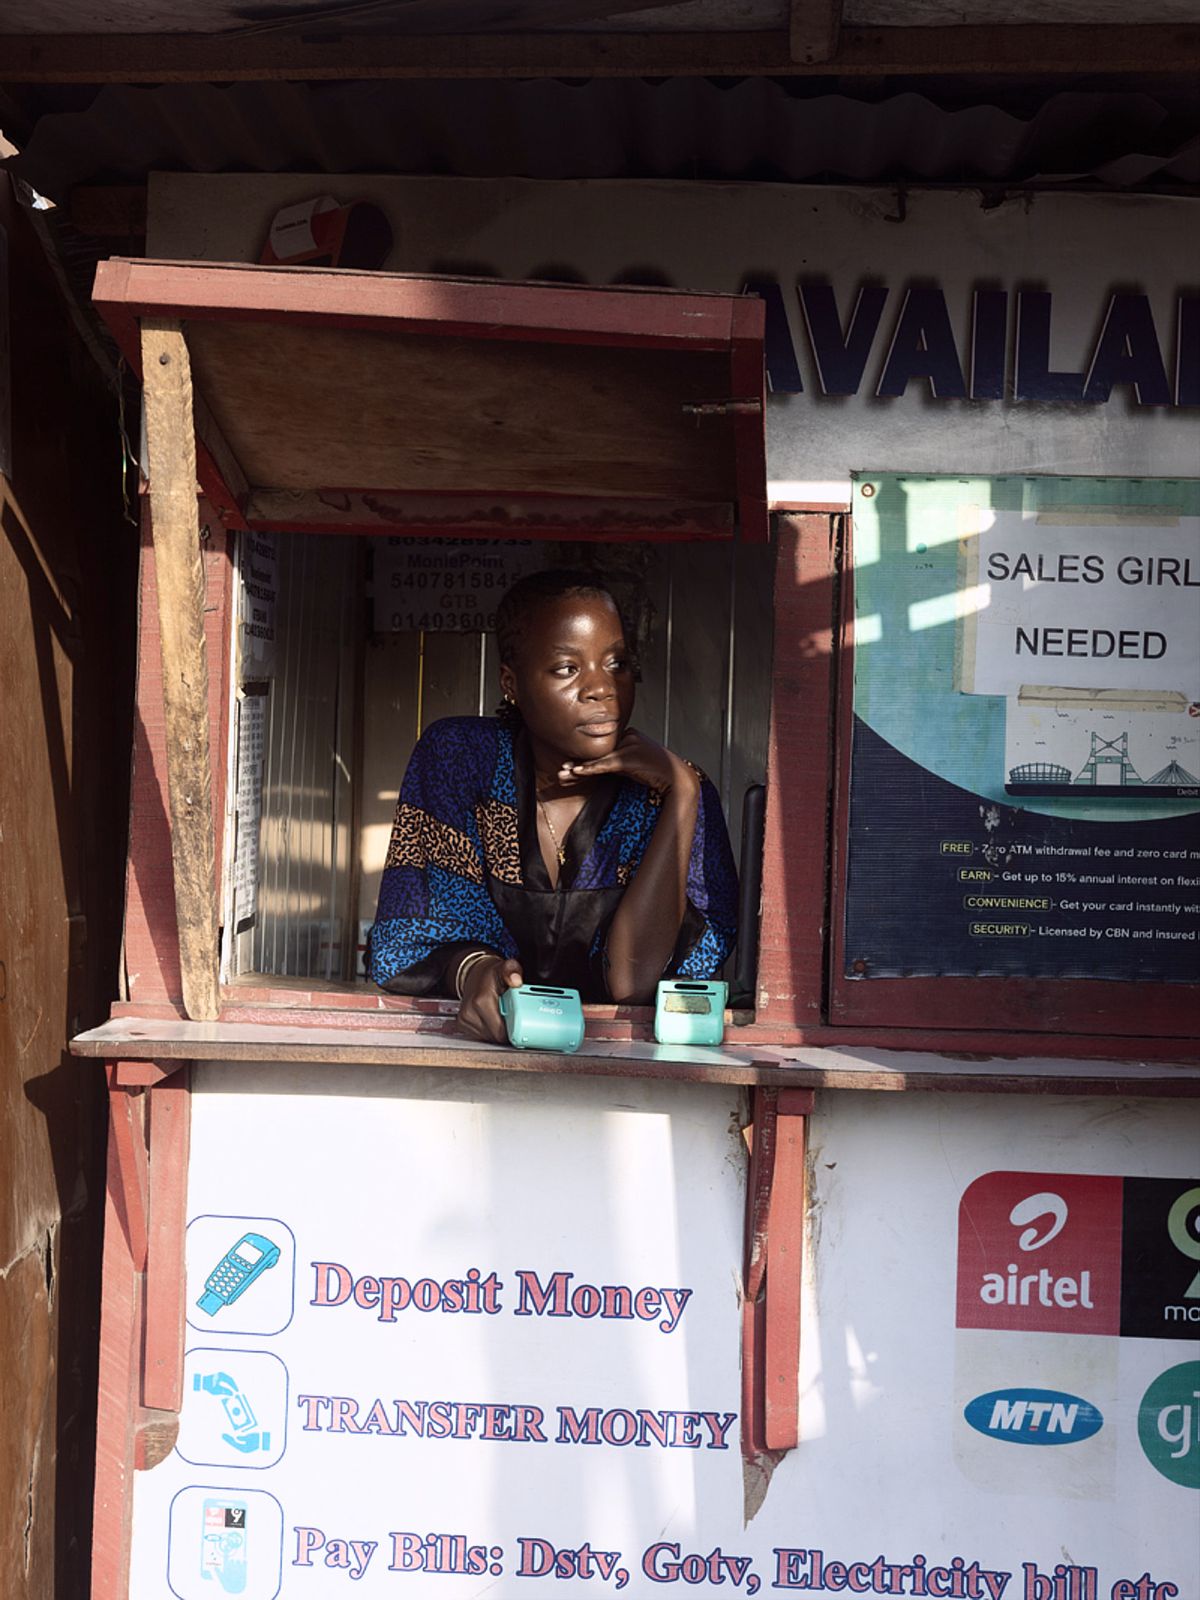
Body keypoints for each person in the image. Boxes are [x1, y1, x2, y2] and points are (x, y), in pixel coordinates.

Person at [368, 569, 737, 1044]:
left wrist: (682, 793)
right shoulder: (463, 760)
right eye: (568, 668)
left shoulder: (671, 789)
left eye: (617, 664)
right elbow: (416, 933)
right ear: (511, 682)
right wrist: (475, 971)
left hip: (623, 1071)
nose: (601, 688)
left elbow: (631, 984)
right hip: (475, 1060)